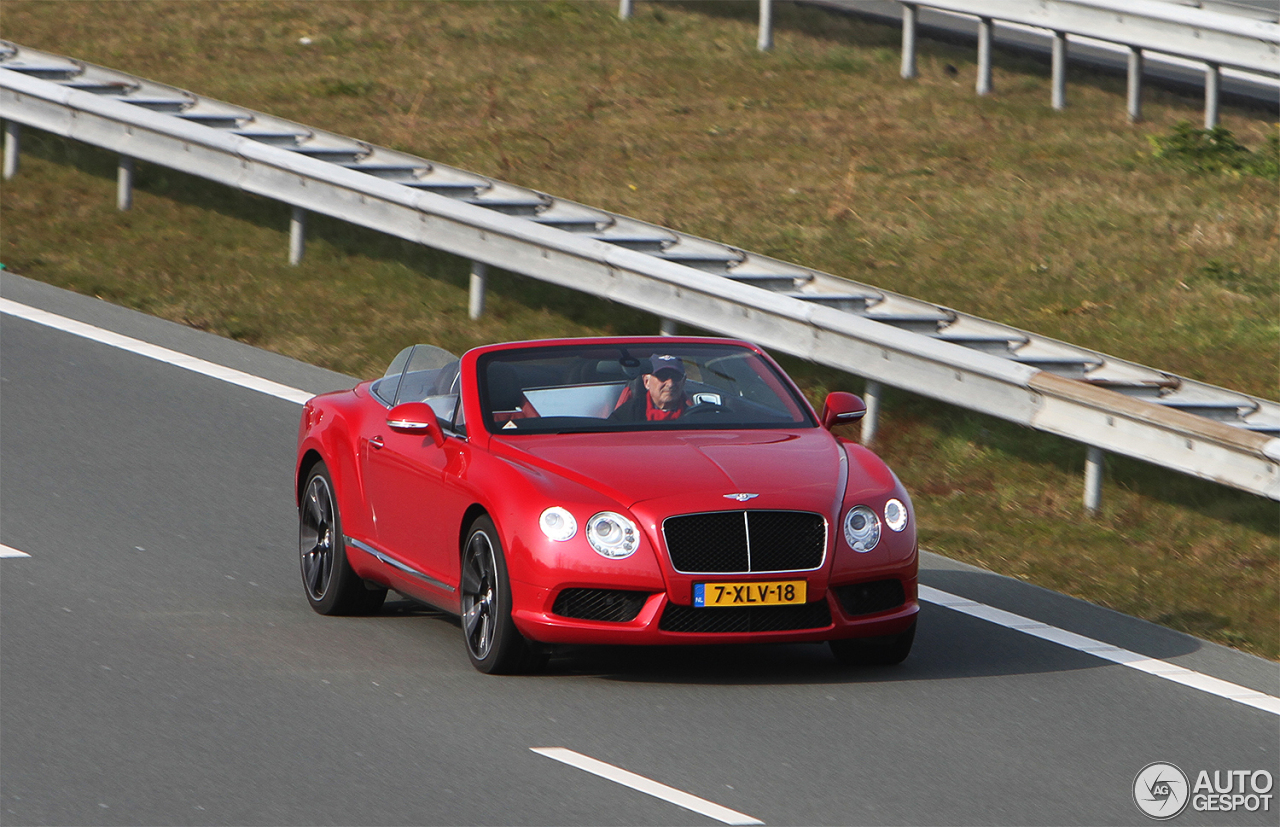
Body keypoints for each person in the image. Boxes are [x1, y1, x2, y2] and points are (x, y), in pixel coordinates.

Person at [609, 354, 691, 422]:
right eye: (663, 376)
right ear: (646, 381)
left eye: (676, 377)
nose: (670, 384)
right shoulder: (627, 414)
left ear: (683, 381)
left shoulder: (695, 415)